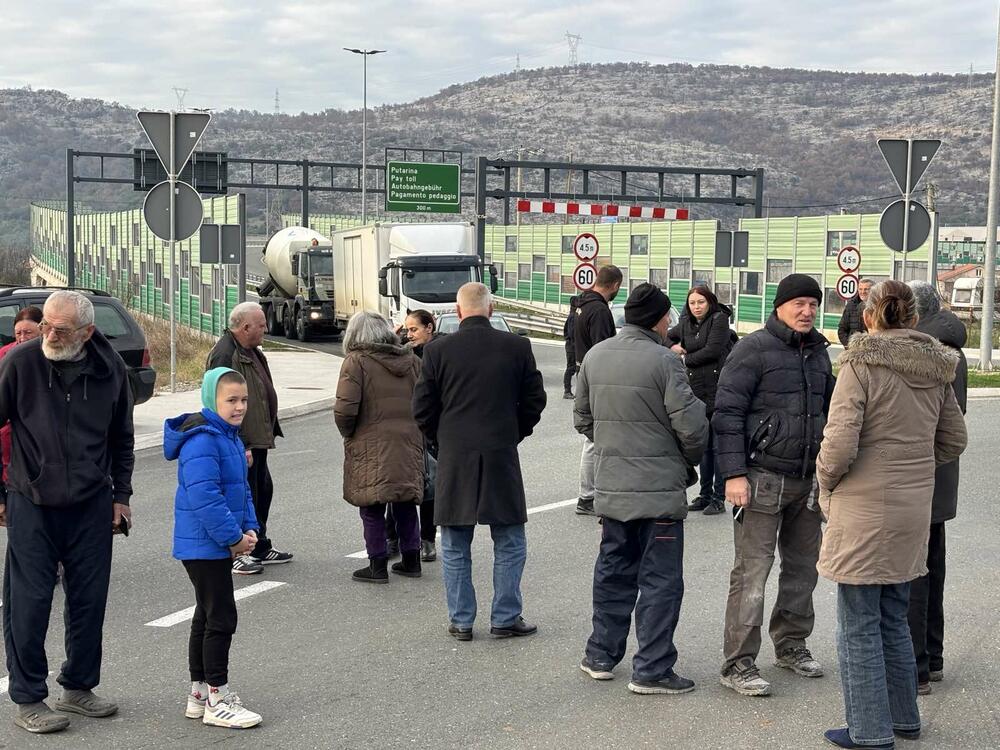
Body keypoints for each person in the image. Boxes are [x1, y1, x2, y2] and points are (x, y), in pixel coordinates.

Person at [816, 280, 967, 749]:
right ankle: (904, 719)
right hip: (911, 508)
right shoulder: (938, 366)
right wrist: (912, 467)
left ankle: (869, 731)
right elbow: (953, 439)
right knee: (894, 617)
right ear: (914, 318)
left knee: (858, 622)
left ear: (869, 316)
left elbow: (839, 442)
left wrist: (825, 481)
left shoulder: (860, 363)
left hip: (862, 507)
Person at [0, 290, 134, 734]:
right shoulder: (21, 363)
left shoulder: (110, 368)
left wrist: (122, 497)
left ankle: (77, 686)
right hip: (31, 501)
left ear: (87, 332)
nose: (49, 335)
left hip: (92, 503)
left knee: (88, 599)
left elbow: (122, 439)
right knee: (30, 601)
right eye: (45, 326)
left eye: (60, 330)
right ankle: (28, 697)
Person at [575, 283, 708, 695]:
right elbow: (692, 428)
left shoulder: (596, 357)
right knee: (660, 581)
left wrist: (616, 444)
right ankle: (651, 668)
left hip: (612, 488)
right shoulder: (664, 362)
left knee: (613, 572)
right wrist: (684, 458)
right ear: (659, 318)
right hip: (659, 494)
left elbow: (583, 420)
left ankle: (600, 654)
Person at [713, 274, 835, 697]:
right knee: (752, 574)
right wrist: (732, 474)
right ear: (780, 306)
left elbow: (830, 411)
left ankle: (791, 644)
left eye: (813, 304)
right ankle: (739, 662)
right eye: (799, 303)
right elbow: (726, 413)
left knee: (803, 570)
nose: (807, 311)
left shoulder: (819, 352)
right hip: (761, 479)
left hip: (808, 481)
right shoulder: (753, 350)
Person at [413, 283, 546, 641]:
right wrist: (514, 432)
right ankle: (504, 617)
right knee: (510, 538)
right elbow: (535, 400)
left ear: (458, 312)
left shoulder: (437, 351)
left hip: (456, 455)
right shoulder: (517, 346)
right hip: (501, 451)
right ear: (490, 310)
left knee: (455, 541)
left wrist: (441, 441)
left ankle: (461, 620)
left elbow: (422, 408)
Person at [163, 367, 263, 729]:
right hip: (204, 544)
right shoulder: (204, 440)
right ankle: (218, 698)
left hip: (214, 542)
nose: (239, 407)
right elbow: (205, 498)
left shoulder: (228, 436)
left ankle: (199, 693)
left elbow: (241, 489)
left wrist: (250, 527)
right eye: (231, 400)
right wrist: (233, 538)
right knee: (221, 616)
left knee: (206, 615)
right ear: (211, 400)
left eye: (244, 400)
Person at [906, 280, 969, 696]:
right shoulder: (955, 350)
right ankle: (935, 655)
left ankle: (918, 668)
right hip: (942, 478)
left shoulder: (925, 354)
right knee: (934, 568)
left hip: (917, 477)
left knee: (914, 575)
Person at [336, 311, 425, 583]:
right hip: (408, 441)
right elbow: (424, 401)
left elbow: (345, 410)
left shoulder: (356, 361)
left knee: (372, 505)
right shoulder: (411, 360)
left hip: (369, 442)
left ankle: (376, 565)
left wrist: (349, 434)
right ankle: (412, 560)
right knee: (405, 501)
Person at [207, 301, 292, 574]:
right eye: (262, 325)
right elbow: (219, 404)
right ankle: (240, 553)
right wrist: (239, 443)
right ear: (245, 327)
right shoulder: (225, 355)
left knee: (261, 492)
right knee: (244, 497)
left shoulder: (251, 350)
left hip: (257, 438)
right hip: (242, 442)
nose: (266, 329)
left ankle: (260, 545)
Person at [667, 287, 734, 516]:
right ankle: (704, 494)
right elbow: (667, 336)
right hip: (696, 392)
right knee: (704, 447)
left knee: (717, 447)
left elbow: (712, 351)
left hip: (718, 390)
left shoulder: (719, 319)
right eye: (693, 302)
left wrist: (685, 358)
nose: (696, 307)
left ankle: (718, 497)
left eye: (701, 302)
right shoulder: (685, 322)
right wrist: (671, 346)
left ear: (710, 302)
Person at [391, 309, 442, 563]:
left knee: (430, 487)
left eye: (414, 329)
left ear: (429, 328)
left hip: (433, 429)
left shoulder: (440, 351)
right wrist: (395, 338)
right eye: (407, 330)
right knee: (399, 486)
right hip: (406, 428)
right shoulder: (404, 352)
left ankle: (427, 539)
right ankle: (395, 537)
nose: (409, 334)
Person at [573, 265, 623, 516]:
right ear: (614, 285)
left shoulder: (581, 306)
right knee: (594, 438)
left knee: (593, 436)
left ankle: (591, 493)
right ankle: (588, 496)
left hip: (582, 372)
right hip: (596, 378)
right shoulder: (600, 311)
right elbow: (604, 349)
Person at [0, 306, 43, 482]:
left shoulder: (50, 354)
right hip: (10, 427)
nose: (22, 338)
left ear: (42, 330)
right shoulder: (5, 355)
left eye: (28, 333)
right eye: (18, 333)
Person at [837, 278, 872, 347]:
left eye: (866, 289)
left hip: (871, 350)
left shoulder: (878, 307)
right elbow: (842, 329)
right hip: (853, 350)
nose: (863, 292)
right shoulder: (851, 305)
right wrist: (848, 346)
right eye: (860, 289)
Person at [562, 295, 580, 399]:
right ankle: (567, 391)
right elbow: (572, 333)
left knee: (575, 368)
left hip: (572, 345)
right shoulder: (573, 316)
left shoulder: (573, 315)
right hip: (572, 346)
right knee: (571, 368)